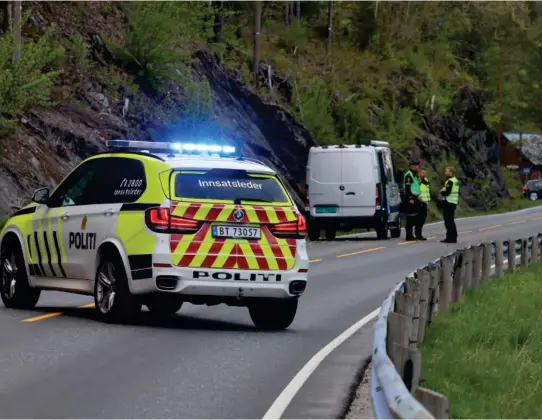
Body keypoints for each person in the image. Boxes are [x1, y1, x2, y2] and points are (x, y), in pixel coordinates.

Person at [402, 160, 421, 241]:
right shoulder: (409, 175)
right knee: (410, 217)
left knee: (414, 217)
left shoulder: (414, 175)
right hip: (410, 198)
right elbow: (407, 188)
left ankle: (411, 235)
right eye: (417, 166)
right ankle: (409, 236)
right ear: (413, 166)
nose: (418, 167)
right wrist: (410, 198)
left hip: (415, 198)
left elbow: (415, 186)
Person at [440, 166, 459, 243]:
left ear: (451, 172)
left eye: (446, 171)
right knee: (451, 221)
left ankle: (450, 238)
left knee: (448, 221)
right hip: (453, 202)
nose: (445, 173)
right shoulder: (455, 180)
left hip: (449, 202)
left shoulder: (450, 181)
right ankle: (453, 237)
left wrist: (441, 191)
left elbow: (447, 192)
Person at [416, 167, 430, 240]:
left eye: (425, 172)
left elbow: (427, 190)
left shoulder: (426, 180)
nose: (424, 174)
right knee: (419, 219)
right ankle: (418, 234)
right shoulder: (417, 181)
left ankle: (418, 233)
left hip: (425, 202)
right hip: (419, 202)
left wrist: (428, 200)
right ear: (419, 173)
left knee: (423, 218)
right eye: (422, 172)